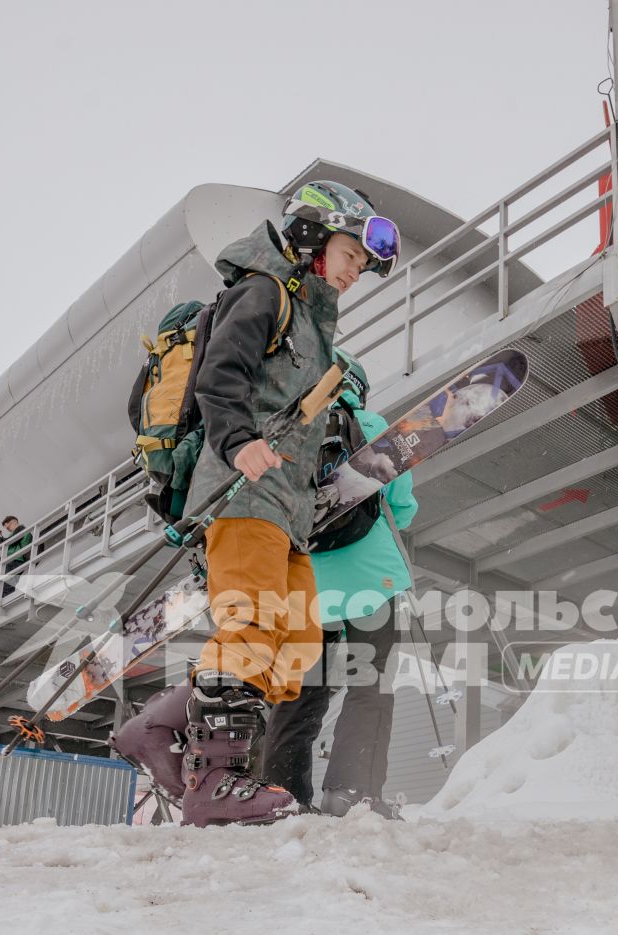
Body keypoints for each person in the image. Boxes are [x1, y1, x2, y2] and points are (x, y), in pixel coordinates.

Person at [111, 180, 399, 827]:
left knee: (294, 644)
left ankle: (153, 728)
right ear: (314, 238)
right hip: (246, 497)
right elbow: (220, 374)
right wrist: (238, 440)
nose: (357, 273)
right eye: (352, 256)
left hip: (287, 511)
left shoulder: (311, 323)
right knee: (251, 627)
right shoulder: (264, 290)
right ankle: (217, 779)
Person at [257, 353, 416, 817]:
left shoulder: (281, 434)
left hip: (306, 586)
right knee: (370, 684)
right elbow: (402, 506)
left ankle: (282, 794)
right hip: (372, 579)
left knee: (303, 691)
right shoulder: (369, 422)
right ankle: (351, 790)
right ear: (356, 387)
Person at [0, 514, 30, 597]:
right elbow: (9, 542)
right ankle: (6, 599)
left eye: (8, 527)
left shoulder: (21, 529)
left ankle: (6, 600)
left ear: (14, 522)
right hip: (14, 560)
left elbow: (11, 541)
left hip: (16, 559)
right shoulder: (16, 533)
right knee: (7, 585)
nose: (8, 530)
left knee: (7, 585)